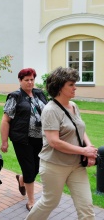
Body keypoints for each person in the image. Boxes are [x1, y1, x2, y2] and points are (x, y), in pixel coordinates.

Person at [26, 67, 97, 220]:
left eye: (74, 84)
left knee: (87, 207)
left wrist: (89, 149)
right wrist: (84, 151)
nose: (75, 87)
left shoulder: (73, 106)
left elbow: (80, 129)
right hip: (54, 165)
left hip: (76, 166)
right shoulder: (50, 110)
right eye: (71, 84)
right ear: (59, 87)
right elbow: (54, 142)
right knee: (50, 202)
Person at [0, 68, 47, 211]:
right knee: (28, 168)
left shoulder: (39, 93)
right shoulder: (15, 96)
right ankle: (31, 201)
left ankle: (22, 179)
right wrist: (4, 142)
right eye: (26, 80)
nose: (30, 82)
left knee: (37, 167)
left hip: (40, 138)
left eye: (32, 79)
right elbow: (5, 120)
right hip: (22, 139)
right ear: (20, 81)